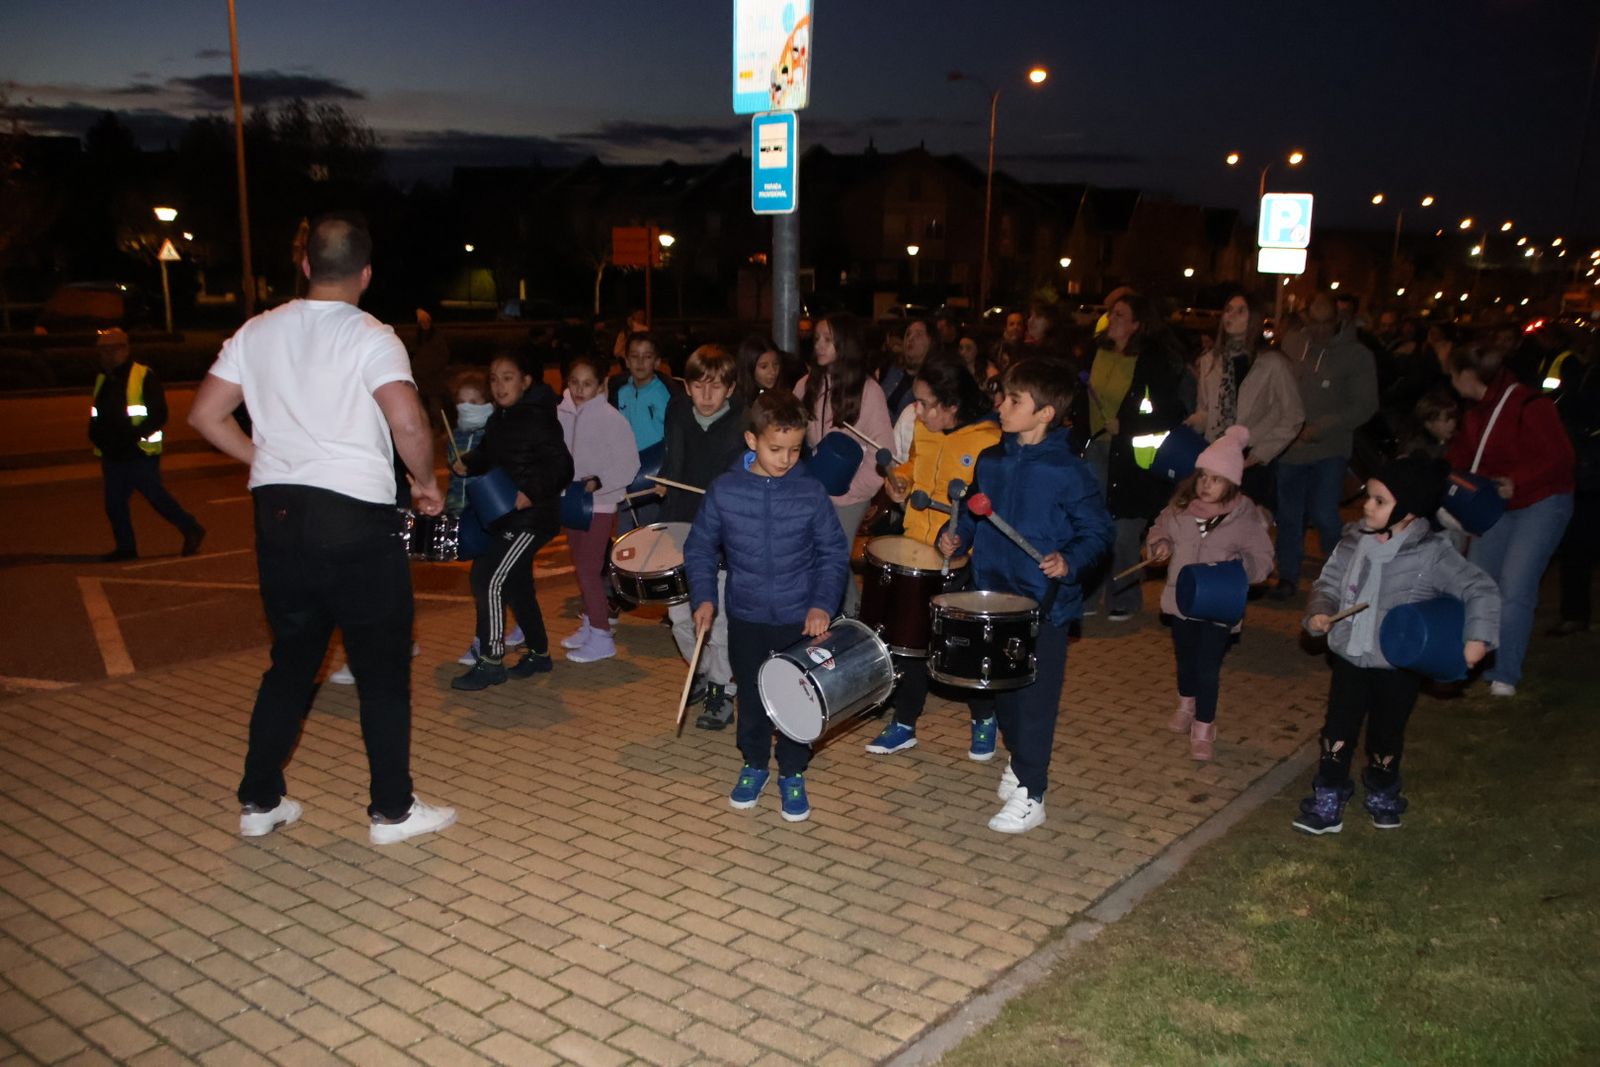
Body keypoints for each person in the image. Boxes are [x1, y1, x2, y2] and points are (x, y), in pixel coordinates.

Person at [187, 212, 453, 845]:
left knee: (291, 663)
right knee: (381, 670)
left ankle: (258, 801)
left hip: (279, 519)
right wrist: (425, 484)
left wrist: (272, 460)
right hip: (354, 521)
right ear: (365, 273)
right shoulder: (371, 335)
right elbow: (408, 422)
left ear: (305, 265)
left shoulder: (255, 331)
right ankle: (392, 811)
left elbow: (204, 415)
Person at [940, 360, 1115, 832]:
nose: (1001, 405)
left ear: (1046, 414)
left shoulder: (1069, 473)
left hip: (1046, 603)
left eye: (1015, 400)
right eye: (1003, 397)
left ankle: (1033, 792)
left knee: (1035, 703)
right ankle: (1020, 764)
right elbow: (972, 513)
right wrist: (953, 533)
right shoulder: (992, 461)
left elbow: (1097, 531)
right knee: (1004, 699)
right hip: (992, 598)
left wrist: (1070, 560)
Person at [1294, 455, 1500, 834]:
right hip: (1350, 658)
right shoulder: (1352, 542)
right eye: (1368, 497)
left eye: (1379, 501)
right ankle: (1330, 793)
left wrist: (1477, 639)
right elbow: (1327, 585)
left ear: (1406, 510)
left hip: (1396, 664)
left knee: (1386, 733)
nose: (1367, 507)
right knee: (1337, 728)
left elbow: (1479, 588)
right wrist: (1319, 613)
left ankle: (1383, 788)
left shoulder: (1431, 553)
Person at [683, 390, 850, 822]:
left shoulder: (811, 493)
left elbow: (833, 554)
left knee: (798, 697)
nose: (787, 458)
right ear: (752, 440)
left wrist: (821, 605)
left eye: (795, 449)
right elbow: (700, 547)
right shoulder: (725, 490)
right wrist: (703, 597)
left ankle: (792, 772)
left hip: (798, 616)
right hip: (747, 614)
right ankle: (754, 763)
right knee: (755, 696)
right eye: (776, 448)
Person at [866, 356, 1003, 759]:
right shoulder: (925, 430)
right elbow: (913, 467)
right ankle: (905, 723)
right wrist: (900, 481)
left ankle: (984, 717)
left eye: (926, 404)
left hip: (964, 558)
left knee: (965, 645)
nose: (918, 412)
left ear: (952, 405)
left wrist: (959, 538)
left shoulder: (987, 441)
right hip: (917, 548)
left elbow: (989, 502)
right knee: (911, 642)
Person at [1445, 343, 1575, 697]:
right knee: (1478, 581)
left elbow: (1560, 457)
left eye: (1453, 375)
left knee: (1515, 587)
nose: (1451, 382)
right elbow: (1468, 457)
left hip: (1543, 501)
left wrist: (1518, 481)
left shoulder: (1529, 404)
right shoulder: (1475, 413)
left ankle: (1505, 673)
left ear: (1468, 376)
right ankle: (1471, 658)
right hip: (1498, 506)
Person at [1144, 427, 1275, 761]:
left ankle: (1205, 725)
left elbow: (1262, 560)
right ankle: (1187, 704)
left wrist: (1238, 573)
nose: (1206, 484)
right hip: (1182, 601)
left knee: (1207, 667)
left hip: (1219, 606)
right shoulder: (1181, 509)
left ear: (1231, 483)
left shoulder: (1244, 519)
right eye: (1203, 476)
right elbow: (1160, 528)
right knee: (1186, 661)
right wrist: (1159, 545)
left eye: (1216, 479)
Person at [450, 350, 574, 690]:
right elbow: (490, 454)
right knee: (518, 585)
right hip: (508, 517)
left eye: (508, 377)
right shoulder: (500, 418)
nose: (500, 385)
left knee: (488, 577)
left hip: (532, 518)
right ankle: (538, 653)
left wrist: (532, 491)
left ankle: (490, 661)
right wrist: (468, 462)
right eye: (494, 379)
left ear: (526, 381)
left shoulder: (537, 417)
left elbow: (562, 466)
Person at [1075, 293, 1185, 620]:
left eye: (1120, 315)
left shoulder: (1151, 361)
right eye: (1110, 313)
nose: (1112, 319)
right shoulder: (1096, 352)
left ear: (1137, 324)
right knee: (1094, 524)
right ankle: (1091, 592)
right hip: (1094, 448)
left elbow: (1170, 411)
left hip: (1131, 456)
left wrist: (1129, 423)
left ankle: (1124, 593)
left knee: (1124, 529)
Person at [658, 345, 747, 728]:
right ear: (687, 386)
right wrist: (664, 482)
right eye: (698, 385)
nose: (706, 395)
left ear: (730, 388)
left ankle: (720, 687)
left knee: (721, 619)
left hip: (725, 532)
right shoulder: (677, 410)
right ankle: (709, 669)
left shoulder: (745, 419)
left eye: (716, 386)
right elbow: (674, 460)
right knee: (678, 615)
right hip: (678, 526)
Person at [1271, 292, 1379, 599]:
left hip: (1329, 449)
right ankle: (1288, 576)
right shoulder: (1293, 344)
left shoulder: (1356, 355)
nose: (1319, 330)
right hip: (1292, 449)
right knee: (1289, 516)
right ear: (1305, 319)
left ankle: (1341, 574)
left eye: (1326, 323)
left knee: (1324, 514)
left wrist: (1323, 426)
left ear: (1338, 320)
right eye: (1314, 322)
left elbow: (1365, 404)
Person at [795, 312, 895, 615]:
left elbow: (883, 452)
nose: (820, 346)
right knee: (821, 558)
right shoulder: (805, 385)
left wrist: (851, 490)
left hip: (848, 496)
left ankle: (849, 618)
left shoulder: (867, 390)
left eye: (829, 340)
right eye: (817, 340)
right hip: (812, 489)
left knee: (832, 557)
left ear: (846, 344)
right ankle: (850, 614)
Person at [90, 327, 205, 562]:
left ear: (124, 349)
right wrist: (95, 435)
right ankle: (126, 549)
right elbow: (97, 414)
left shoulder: (142, 376)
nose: (106, 355)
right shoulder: (103, 378)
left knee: (156, 497)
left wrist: (131, 436)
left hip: (138, 452)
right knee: (114, 504)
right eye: (102, 350)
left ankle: (191, 528)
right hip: (113, 453)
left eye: (111, 349)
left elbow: (158, 414)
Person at [556, 354, 640, 664]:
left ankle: (603, 636)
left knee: (589, 569)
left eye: (587, 383)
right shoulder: (561, 412)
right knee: (581, 565)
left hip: (600, 503)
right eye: (574, 382)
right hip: (571, 500)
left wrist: (599, 481)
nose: (579, 389)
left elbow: (629, 463)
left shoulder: (609, 417)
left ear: (601, 384)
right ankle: (592, 624)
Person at [1185, 291, 1303, 508]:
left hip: (1251, 459)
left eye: (1241, 311)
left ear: (1254, 318)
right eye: (1228, 310)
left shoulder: (1272, 363)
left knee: (1244, 529)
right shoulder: (1210, 361)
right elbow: (1205, 410)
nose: (1231, 316)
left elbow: (1293, 415)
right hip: (1216, 457)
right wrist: (1188, 426)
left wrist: (1258, 455)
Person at [407, 308, 452, 421]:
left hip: (433, 379)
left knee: (435, 405)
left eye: (426, 321)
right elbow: (412, 353)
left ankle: (440, 426)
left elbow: (444, 356)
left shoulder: (437, 337)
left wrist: (433, 369)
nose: (425, 324)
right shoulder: (417, 337)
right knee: (422, 406)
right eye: (422, 322)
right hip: (420, 379)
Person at [734, 334, 793, 401]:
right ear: (749, 367)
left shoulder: (786, 394)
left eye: (776, 364)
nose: (773, 371)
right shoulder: (739, 403)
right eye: (764, 367)